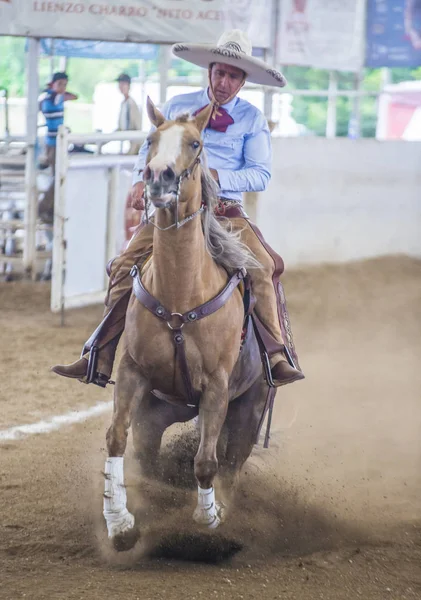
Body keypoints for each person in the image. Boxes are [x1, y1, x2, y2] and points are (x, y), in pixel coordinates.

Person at [52, 30, 304, 388]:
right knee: (124, 264)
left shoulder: (252, 119)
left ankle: (275, 354)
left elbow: (260, 175)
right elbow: (150, 148)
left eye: (233, 76)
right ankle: (101, 353)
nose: (224, 82)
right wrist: (141, 178)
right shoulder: (175, 106)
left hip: (224, 212)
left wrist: (211, 175)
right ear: (209, 71)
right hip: (172, 211)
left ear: (243, 81)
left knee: (263, 266)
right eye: (220, 73)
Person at [38, 72, 78, 224]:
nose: (63, 88)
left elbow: (74, 96)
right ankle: (43, 209)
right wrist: (56, 91)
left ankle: (50, 209)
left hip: (57, 144)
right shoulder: (50, 99)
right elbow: (72, 97)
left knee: (59, 176)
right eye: (60, 84)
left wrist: (58, 91)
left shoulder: (54, 97)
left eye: (65, 84)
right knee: (58, 177)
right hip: (54, 145)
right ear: (53, 84)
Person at [116, 73, 142, 155]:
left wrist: (131, 152)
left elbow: (137, 128)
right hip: (127, 141)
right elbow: (121, 128)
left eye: (124, 84)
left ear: (129, 86)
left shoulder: (131, 104)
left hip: (135, 144)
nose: (121, 86)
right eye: (120, 84)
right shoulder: (124, 103)